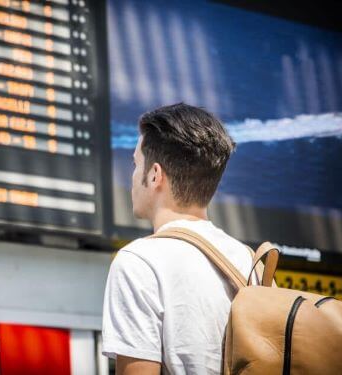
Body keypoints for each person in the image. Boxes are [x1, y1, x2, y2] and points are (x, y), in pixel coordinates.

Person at [102, 103, 255, 374]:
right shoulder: (252, 262)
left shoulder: (138, 263)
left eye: (136, 164)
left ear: (155, 174)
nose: (133, 175)